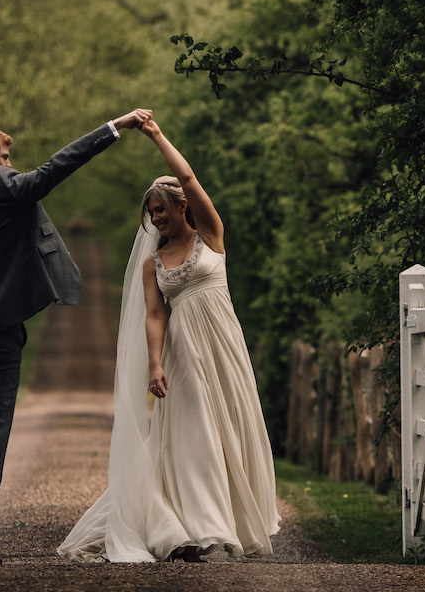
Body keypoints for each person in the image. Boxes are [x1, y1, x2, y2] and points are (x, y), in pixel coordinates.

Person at [0, 110, 153, 565]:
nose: (12, 163)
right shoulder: (4, 189)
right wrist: (114, 128)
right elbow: (58, 166)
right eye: (6, 154)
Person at [58, 119, 280, 563]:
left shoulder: (211, 237)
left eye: (161, 209)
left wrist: (157, 136)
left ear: (182, 207)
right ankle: (198, 529)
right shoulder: (153, 263)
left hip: (224, 346)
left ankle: (224, 521)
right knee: (190, 435)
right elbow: (156, 315)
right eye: (151, 213)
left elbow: (189, 177)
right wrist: (155, 363)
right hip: (183, 354)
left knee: (228, 430)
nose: (156, 218)